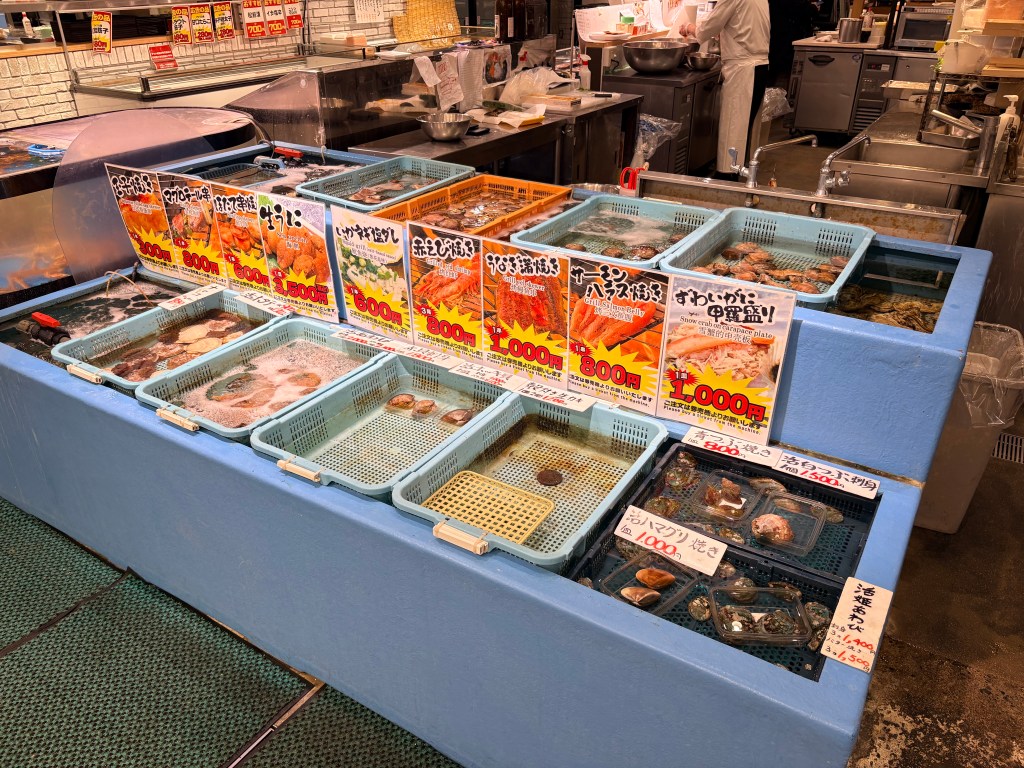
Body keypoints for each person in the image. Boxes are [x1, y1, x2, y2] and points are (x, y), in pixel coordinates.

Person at [682, 0, 770, 180]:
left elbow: (709, 27)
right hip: (759, 65)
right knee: (742, 131)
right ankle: (735, 175)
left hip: (744, 69)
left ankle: (727, 181)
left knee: (734, 129)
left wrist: (689, 27)